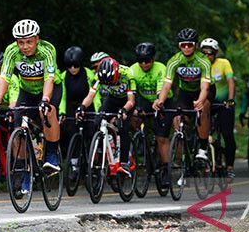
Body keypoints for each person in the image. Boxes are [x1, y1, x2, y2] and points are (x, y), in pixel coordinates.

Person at [0, 19, 62, 195]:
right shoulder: (11, 51)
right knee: (16, 125)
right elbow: (5, 77)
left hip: (49, 88)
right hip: (26, 90)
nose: (25, 46)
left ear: (37, 39)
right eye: (21, 42)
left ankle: (52, 155)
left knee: (47, 111)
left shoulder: (47, 49)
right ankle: (23, 168)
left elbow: (49, 78)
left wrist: (45, 99)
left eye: (29, 41)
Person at [153, 28, 213, 161]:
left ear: (196, 45)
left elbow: (205, 87)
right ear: (179, 46)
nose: (186, 48)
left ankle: (203, 148)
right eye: (183, 45)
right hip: (185, 91)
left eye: (190, 44)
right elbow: (167, 84)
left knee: (203, 108)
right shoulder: (174, 61)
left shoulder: (203, 61)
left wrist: (201, 101)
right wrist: (160, 100)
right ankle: (183, 150)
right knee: (177, 117)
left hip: (203, 90)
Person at [77, 57, 136, 175]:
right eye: (106, 83)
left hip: (127, 101)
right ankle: (99, 149)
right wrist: (82, 107)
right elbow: (90, 96)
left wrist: (124, 110)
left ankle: (124, 163)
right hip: (112, 99)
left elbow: (131, 101)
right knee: (96, 122)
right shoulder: (98, 76)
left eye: (111, 82)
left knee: (123, 127)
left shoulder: (128, 74)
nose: (109, 85)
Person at [129, 42, 173, 183]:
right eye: (140, 61)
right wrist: (134, 108)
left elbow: (162, 89)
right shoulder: (133, 70)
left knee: (161, 137)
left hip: (164, 100)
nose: (144, 64)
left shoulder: (161, 68)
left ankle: (166, 169)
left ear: (153, 59)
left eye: (147, 60)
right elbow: (131, 92)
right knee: (134, 116)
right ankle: (139, 140)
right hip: (145, 100)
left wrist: (159, 101)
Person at [200, 38, 236, 178]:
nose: (208, 56)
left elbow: (231, 82)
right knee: (202, 131)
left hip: (223, 103)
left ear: (216, 53)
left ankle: (230, 166)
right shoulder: (199, 65)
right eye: (204, 53)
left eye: (211, 53)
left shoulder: (224, 63)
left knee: (227, 134)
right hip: (207, 102)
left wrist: (231, 100)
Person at [58, 46, 98, 154]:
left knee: (91, 131)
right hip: (71, 106)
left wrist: (98, 111)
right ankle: (74, 162)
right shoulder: (63, 76)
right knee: (72, 133)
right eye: (69, 66)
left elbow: (95, 95)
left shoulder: (89, 74)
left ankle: (92, 160)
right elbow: (63, 97)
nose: (72, 68)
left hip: (88, 106)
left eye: (76, 65)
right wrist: (62, 112)